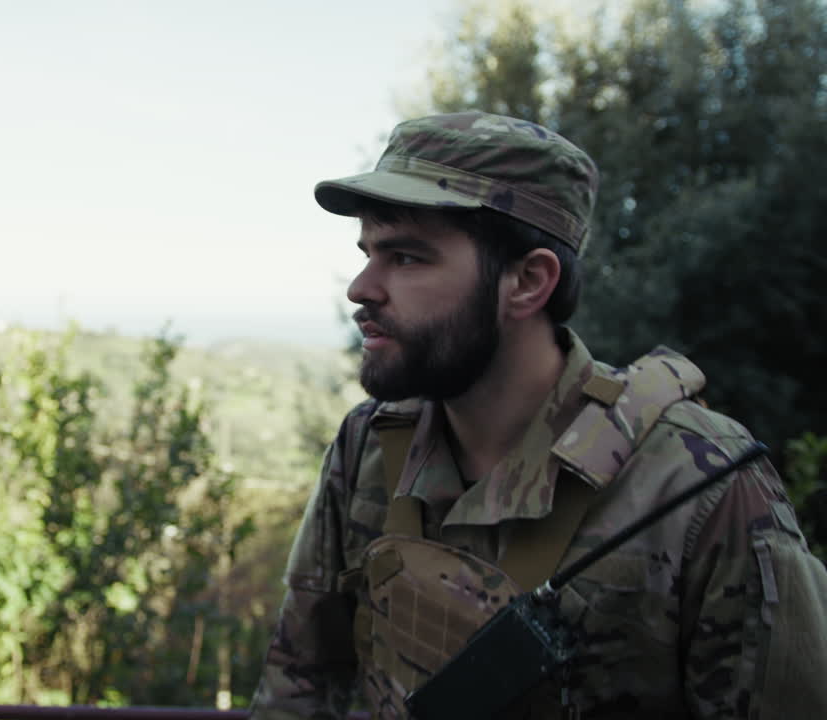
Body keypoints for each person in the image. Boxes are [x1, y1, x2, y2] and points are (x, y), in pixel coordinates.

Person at [249, 111, 827, 719]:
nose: (362, 288)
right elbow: (299, 687)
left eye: (408, 258)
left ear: (527, 282)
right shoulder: (368, 445)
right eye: (369, 253)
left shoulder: (700, 483)